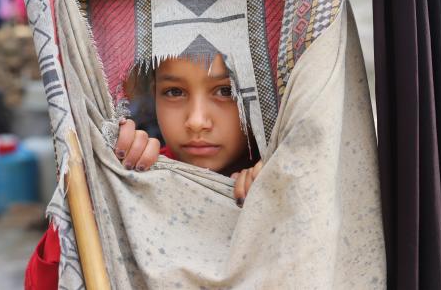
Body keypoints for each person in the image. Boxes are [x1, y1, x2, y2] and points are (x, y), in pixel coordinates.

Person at [25, 54, 263, 289]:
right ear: (155, 93)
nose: (197, 121)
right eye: (174, 92)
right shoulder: (139, 173)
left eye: (226, 91)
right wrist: (98, 189)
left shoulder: (281, 177)